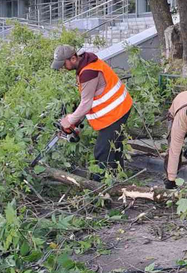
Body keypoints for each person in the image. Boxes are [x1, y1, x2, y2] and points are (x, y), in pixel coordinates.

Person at [51, 45, 133, 179]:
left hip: (115, 112)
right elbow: (91, 96)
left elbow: (86, 103)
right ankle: (117, 180)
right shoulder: (87, 61)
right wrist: (75, 118)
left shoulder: (88, 72)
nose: (62, 68)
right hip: (121, 106)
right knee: (115, 147)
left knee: (102, 152)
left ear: (73, 58)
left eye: (63, 64)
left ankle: (99, 189)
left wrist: (69, 121)